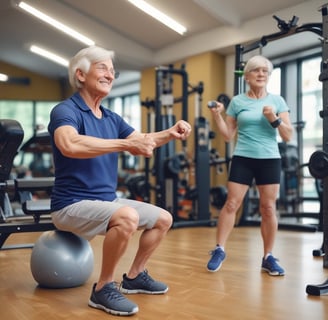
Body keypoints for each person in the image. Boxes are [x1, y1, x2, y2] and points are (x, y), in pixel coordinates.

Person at [47, 46, 192, 316]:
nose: (110, 75)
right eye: (103, 68)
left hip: (106, 201)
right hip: (69, 205)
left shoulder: (111, 117)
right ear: (80, 74)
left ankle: (135, 276)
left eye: (113, 71)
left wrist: (170, 133)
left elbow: (141, 140)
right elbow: (68, 143)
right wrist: (124, 145)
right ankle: (103, 288)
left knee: (163, 218)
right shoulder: (66, 110)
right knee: (126, 216)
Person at [207, 55, 293, 276]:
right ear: (247, 76)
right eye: (256, 70)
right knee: (231, 204)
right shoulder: (237, 102)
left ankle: (268, 257)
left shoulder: (277, 101)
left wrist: (274, 118)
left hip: (269, 158)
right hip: (243, 157)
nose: (261, 74)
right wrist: (217, 115)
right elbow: (227, 135)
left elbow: (288, 135)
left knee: (268, 208)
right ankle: (219, 249)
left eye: (265, 71)